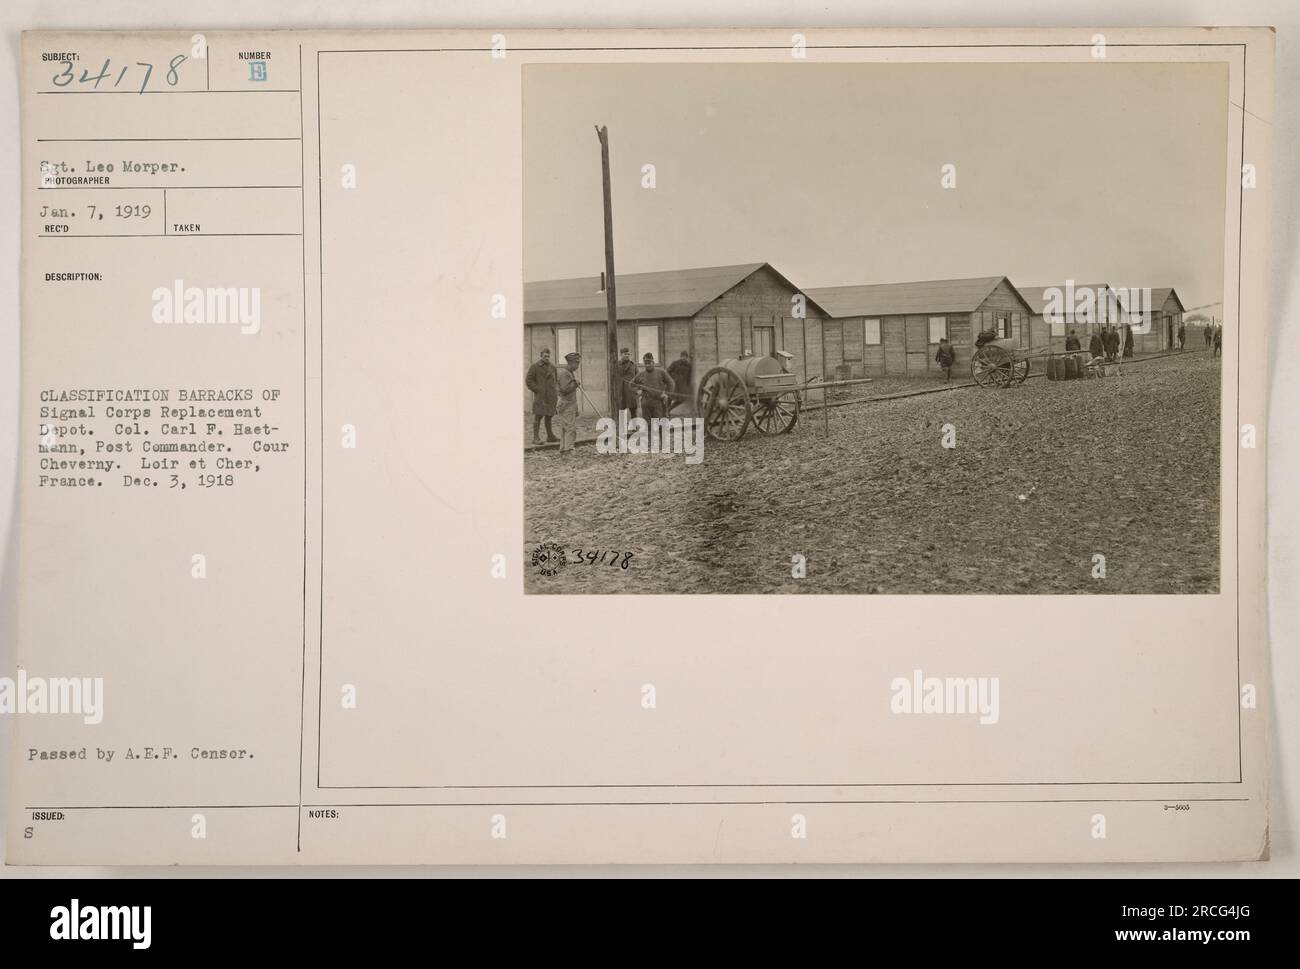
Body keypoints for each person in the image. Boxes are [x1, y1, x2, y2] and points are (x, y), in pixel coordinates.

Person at [525, 348, 559, 445]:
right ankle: (536, 438)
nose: (547, 358)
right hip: (541, 397)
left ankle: (550, 436)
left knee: (549, 416)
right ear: (541, 356)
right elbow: (528, 381)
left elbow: (555, 381)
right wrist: (538, 389)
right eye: (545, 356)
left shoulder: (553, 367)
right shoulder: (535, 367)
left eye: (548, 356)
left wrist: (555, 391)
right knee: (538, 416)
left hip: (551, 396)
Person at [631, 352, 676, 420]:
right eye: (646, 363)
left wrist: (667, 394)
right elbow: (631, 384)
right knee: (648, 425)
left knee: (658, 425)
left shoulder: (661, 372)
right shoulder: (641, 374)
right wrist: (637, 391)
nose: (647, 365)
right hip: (645, 403)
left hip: (658, 403)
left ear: (653, 362)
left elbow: (671, 383)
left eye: (649, 362)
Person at [556, 351, 581, 457]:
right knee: (570, 428)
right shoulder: (564, 373)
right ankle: (569, 450)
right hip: (566, 404)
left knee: (565, 428)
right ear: (571, 363)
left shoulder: (569, 372)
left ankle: (563, 449)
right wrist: (576, 383)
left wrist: (576, 408)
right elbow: (564, 389)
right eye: (577, 363)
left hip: (569, 404)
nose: (578, 365)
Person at [615, 347, 639, 419]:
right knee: (621, 409)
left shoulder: (633, 365)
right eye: (625, 354)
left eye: (628, 354)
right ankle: (622, 427)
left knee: (633, 409)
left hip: (631, 391)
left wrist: (637, 390)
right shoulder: (616, 365)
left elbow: (638, 378)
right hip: (621, 391)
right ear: (621, 355)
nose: (627, 355)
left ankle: (633, 427)